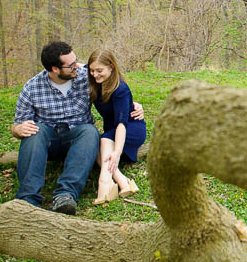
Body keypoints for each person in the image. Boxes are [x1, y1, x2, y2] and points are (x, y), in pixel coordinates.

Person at [11, 41, 99, 215]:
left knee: (90, 131)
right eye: (71, 65)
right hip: (49, 140)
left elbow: (115, 86)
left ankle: (65, 195)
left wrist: (132, 105)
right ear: (55, 69)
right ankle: (27, 200)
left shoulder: (85, 77)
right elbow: (17, 125)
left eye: (76, 61)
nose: (77, 67)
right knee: (34, 130)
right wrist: (18, 130)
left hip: (78, 138)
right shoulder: (32, 87)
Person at [87, 49, 147, 205]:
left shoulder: (120, 89)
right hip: (112, 130)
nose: (95, 74)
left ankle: (105, 183)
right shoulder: (95, 82)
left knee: (105, 140)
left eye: (99, 70)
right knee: (95, 146)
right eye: (92, 70)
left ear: (112, 67)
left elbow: (121, 124)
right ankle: (122, 181)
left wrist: (117, 153)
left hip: (130, 128)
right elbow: (77, 66)